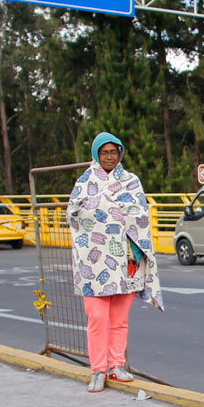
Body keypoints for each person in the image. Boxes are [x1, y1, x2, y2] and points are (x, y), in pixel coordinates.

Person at [66, 132, 164, 393]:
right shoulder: (84, 182)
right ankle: (98, 369)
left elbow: (140, 214)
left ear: (120, 153)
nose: (109, 157)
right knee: (97, 318)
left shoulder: (131, 181)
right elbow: (75, 215)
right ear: (96, 154)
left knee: (120, 319)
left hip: (127, 259)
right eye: (104, 152)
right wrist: (107, 211)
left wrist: (107, 210)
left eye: (114, 151)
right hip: (94, 262)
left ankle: (116, 365)